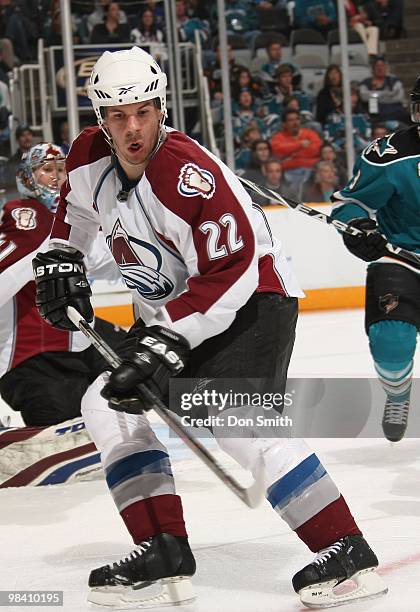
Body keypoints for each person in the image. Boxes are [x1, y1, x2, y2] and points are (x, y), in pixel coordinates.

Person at [32, 47, 386, 609]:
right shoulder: (84, 159)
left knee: (234, 420)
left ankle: (346, 551)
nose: (132, 128)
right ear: (100, 117)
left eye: (143, 112)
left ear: (161, 107)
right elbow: (71, 220)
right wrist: (61, 260)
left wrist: (166, 338)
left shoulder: (187, 175)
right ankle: (162, 551)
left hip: (252, 302)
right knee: (106, 402)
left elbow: (235, 266)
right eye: (118, 116)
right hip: (173, 312)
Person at [0, 142, 126, 427]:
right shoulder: (28, 216)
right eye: (46, 170)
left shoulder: (70, 218)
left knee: (145, 361)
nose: (56, 177)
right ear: (26, 178)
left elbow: (102, 261)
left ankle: (226, 407)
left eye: (61, 169)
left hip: (78, 340)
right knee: (66, 429)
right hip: (33, 355)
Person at [330, 75, 420, 443]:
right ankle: (398, 395)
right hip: (401, 257)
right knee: (391, 340)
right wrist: (358, 227)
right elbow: (348, 204)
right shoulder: (391, 155)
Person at [271, 109, 322, 187]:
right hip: (288, 172)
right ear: (284, 124)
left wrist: (291, 155)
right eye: (291, 120)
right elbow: (277, 151)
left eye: (297, 119)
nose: (295, 123)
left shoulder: (310, 134)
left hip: (311, 171)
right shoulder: (278, 137)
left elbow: (316, 150)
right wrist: (300, 144)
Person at [359, 56, 408, 124]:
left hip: (397, 115)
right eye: (377, 66)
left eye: (382, 65)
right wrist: (388, 94)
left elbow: (399, 98)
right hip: (375, 116)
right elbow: (364, 97)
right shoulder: (365, 83)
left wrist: (374, 95)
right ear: (373, 68)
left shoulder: (395, 81)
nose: (380, 68)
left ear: (386, 67)